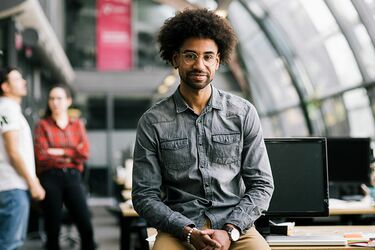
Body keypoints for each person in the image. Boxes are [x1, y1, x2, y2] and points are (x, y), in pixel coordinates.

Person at [132, 8, 274, 250]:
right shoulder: (152, 121)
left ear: (217, 61)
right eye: (190, 56)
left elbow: (261, 183)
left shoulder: (243, 113)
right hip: (179, 228)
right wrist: (188, 232)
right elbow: (144, 195)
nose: (200, 64)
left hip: (234, 225)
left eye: (208, 57)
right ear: (175, 59)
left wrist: (231, 231)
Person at [34, 84, 95, 250]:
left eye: (59, 98)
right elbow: (42, 156)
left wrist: (57, 151)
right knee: (52, 230)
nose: (55, 102)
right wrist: (71, 153)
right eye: (52, 98)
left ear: (68, 101)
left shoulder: (77, 125)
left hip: (73, 176)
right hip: (50, 178)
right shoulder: (42, 125)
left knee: (86, 226)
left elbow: (84, 153)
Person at [0, 67, 45, 250]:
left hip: (8, 186)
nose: (24, 82)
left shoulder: (6, 108)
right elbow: (13, 152)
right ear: (5, 86)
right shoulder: (8, 108)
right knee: (11, 244)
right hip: (13, 187)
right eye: (17, 79)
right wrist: (33, 182)